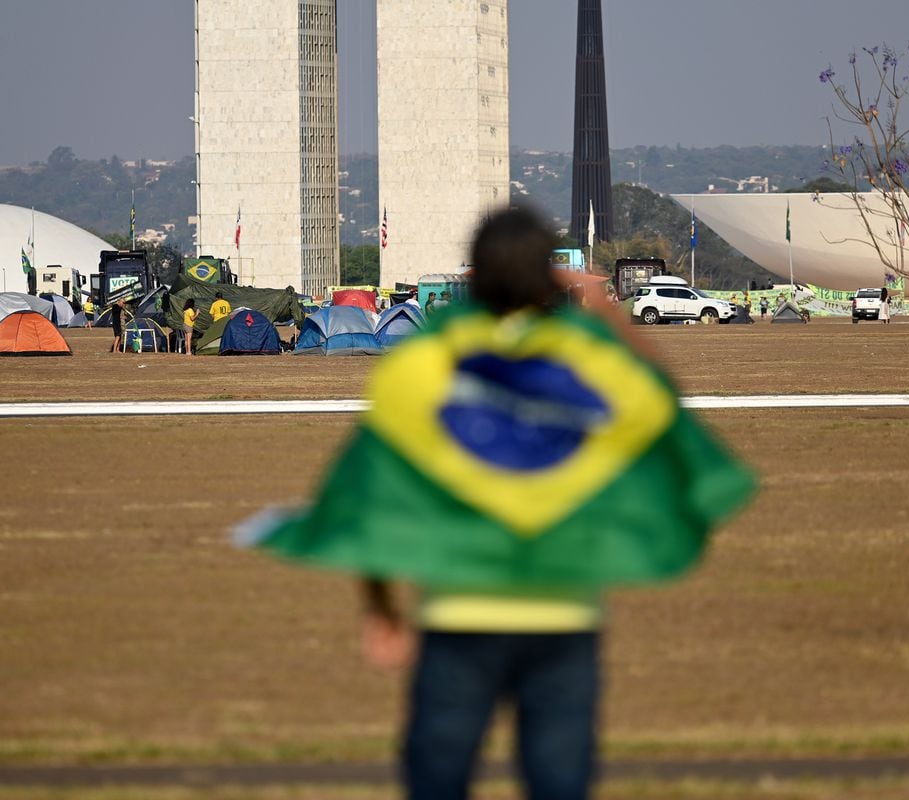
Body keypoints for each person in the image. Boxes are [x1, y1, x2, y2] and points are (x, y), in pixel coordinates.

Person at [236, 207, 755, 800]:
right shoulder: (591, 362)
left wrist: (382, 610)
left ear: (475, 275)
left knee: (437, 778)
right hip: (563, 616)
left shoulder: (423, 365)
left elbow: (374, 499)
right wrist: (608, 311)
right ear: (550, 277)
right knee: (559, 782)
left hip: (459, 616)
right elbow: (663, 407)